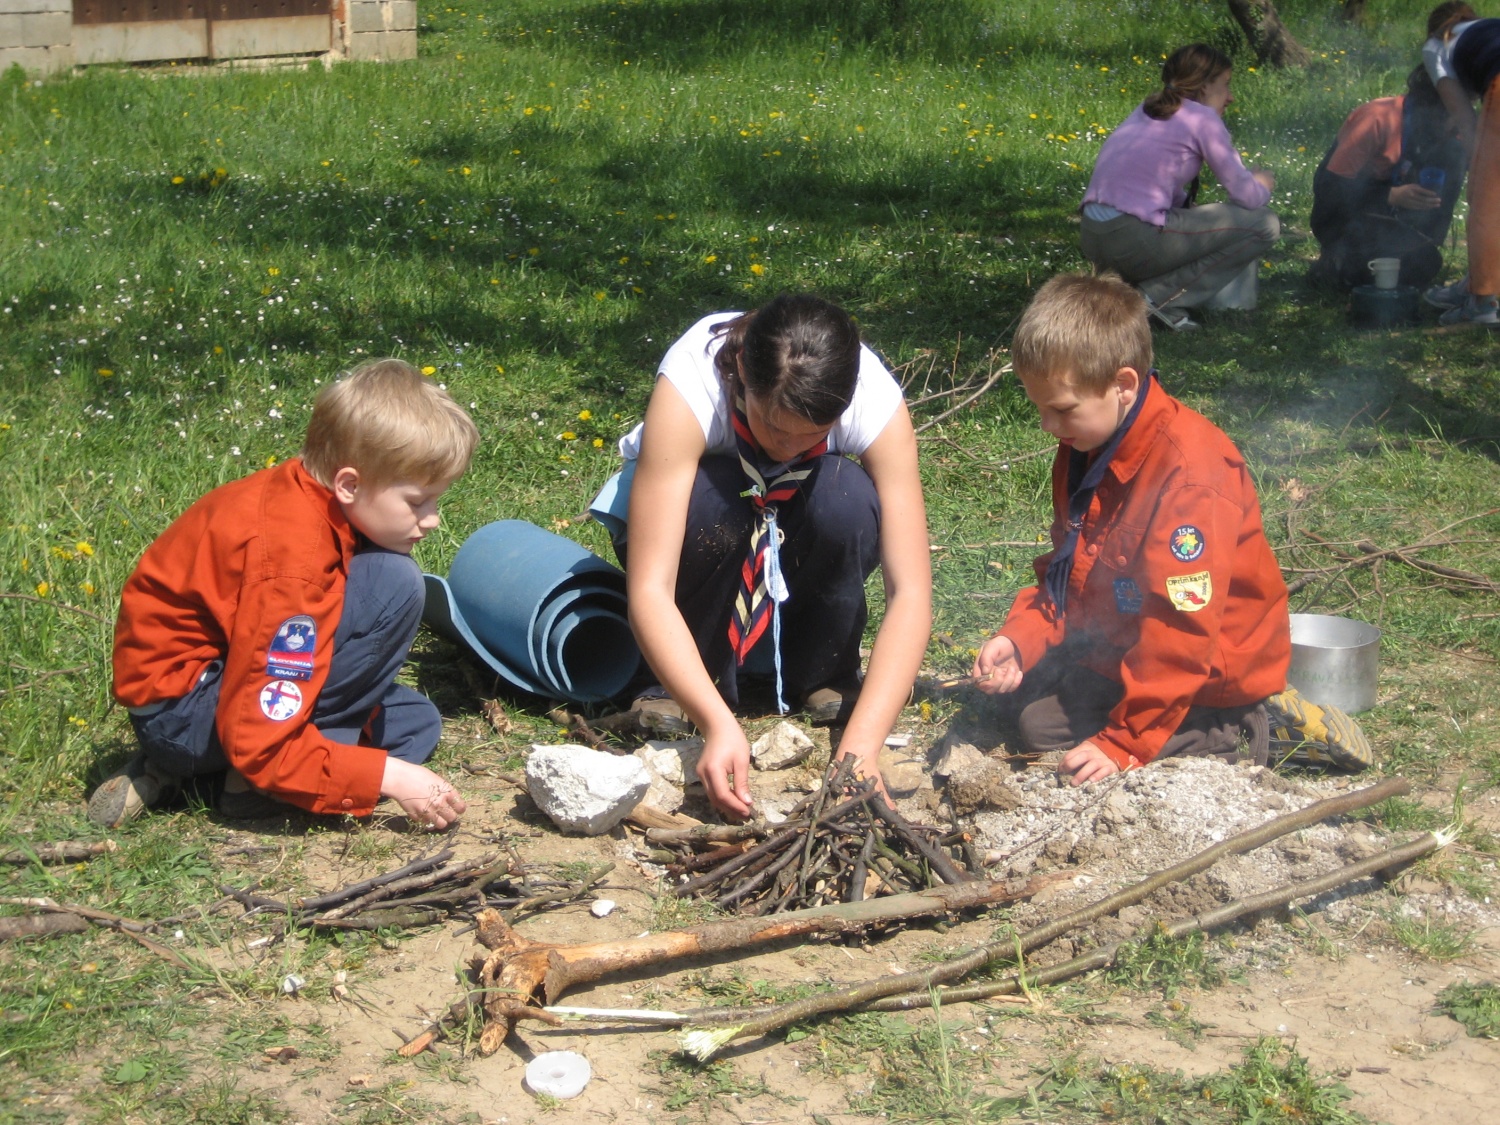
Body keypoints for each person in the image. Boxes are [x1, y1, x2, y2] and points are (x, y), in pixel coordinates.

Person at [90, 359, 478, 829]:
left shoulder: (308, 494)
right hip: (183, 716)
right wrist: (389, 777)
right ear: (349, 484)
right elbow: (257, 733)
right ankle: (253, 788)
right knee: (395, 585)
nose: (433, 519)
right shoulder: (293, 564)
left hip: (219, 688)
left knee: (415, 720)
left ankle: (182, 781)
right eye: (418, 501)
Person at [602, 295, 931, 818]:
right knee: (710, 501)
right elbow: (649, 587)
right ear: (740, 378)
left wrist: (863, 745)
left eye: (813, 434)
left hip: (792, 517)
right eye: (774, 427)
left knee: (845, 497)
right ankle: (683, 683)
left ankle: (820, 669)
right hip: (692, 521)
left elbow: (911, 592)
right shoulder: (692, 384)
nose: (788, 446)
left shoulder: (872, 396)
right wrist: (715, 723)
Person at [970, 272, 1292, 783]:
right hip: (1123, 650)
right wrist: (1021, 638)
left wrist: (1125, 742)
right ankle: (1153, 720)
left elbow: (1181, 628)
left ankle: (1239, 730)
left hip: (1205, 674)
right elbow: (1066, 571)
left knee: (1079, 750)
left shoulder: (1189, 479)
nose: (1047, 426)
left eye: (1061, 410)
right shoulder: (1087, 447)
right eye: (1039, 408)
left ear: (1123, 385)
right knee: (1032, 721)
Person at [1080, 43, 1279, 331]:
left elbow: (1153, 183)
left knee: (1205, 225)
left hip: (1094, 238)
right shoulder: (1203, 120)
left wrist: (1192, 214)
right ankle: (1158, 298)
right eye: (1226, 85)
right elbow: (1246, 195)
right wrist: (1262, 184)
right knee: (1264, 224)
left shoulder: (1150, 109)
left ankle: (1133, 292)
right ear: (1203, 86)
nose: (1231, 97)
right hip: (1132, 239)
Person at [1309, 64, 1467, 290]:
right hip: (1343, 218)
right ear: (1434, 109)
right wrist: (1390, 196)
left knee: (1425, 263)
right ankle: (1334, 262)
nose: (1457, 124)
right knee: (1374, 269)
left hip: (1390, 220)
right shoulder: (1377, 118)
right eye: (1453, 115)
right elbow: (1329, 189)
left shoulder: (1442, 129)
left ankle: (1419, 244)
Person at [1418, 3, 1500, 325]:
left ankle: (1481, 304)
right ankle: (1474, 281)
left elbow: (1465, 119)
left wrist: (1474, 166)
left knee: (1487, 200)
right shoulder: (1489, 28)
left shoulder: (1436, 45)